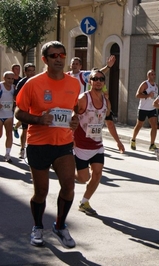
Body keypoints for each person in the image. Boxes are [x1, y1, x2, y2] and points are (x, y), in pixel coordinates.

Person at [15, 41, 80, 249]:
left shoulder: (74, 83)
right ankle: (37, 227)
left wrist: (74, 120)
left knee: (69, 186)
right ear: (45, 59)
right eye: (54, 56)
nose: (59, 59)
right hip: (39, 143)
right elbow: (19, 112)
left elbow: (73, 110)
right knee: (41, 191)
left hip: (63, 143)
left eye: (62, 55)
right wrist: (38, 120)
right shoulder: (33, 84)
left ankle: (60, 226)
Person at [74, 69, 124, 216]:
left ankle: (84, 202)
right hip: (80, 146)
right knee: (84, 179)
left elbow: (109, 122)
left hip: (97, 146)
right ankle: (67, 172)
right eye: (95, 79)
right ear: (90, 82)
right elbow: (73, 118)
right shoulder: (83, 98)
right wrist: (69, 138)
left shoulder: (106, 102)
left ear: (104, 83)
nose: (98, 81)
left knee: (97, 174)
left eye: (101, 79)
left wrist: (118, 142)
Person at [130, 69, 159, 151]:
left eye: (154, 74)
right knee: (139, 125)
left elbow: (156, 97)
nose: (153, 75)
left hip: (152, 108)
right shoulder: (145, 84)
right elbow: (137, 95)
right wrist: (148, 95)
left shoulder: (156, 86)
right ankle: (133, 139)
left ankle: (152, 144)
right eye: (151, 74)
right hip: (143, 108)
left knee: (154, 126)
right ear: (148, 76)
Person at [14, 63, 36, 159]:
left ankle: (33, 149)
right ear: (25, 72)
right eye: (29, 71)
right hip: (25, 109)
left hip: (36, 109)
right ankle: (22, 149)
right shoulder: (22, 82)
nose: (31, 73)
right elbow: (15, 96)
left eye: (33, 70)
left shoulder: (37, 81)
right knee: (25, 129)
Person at [0, 71, 16, 162]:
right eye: (8, 78)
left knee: (9, 133)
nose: (10, 80)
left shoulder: (14, 88)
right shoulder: (0, 86)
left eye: (12, 79)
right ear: (4, 78)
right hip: (0, 114)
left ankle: (7, 154)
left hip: (9, 114)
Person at [11, 64, 22, 139]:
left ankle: (15, 128)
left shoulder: (21, 80)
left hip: (19, 101)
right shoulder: (9, 79)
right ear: (12, 70)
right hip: (10, 102)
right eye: (16, 69)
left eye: (19, 69)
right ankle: (9, 135)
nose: (18, 71)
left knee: (21, 118)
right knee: (10, 118)